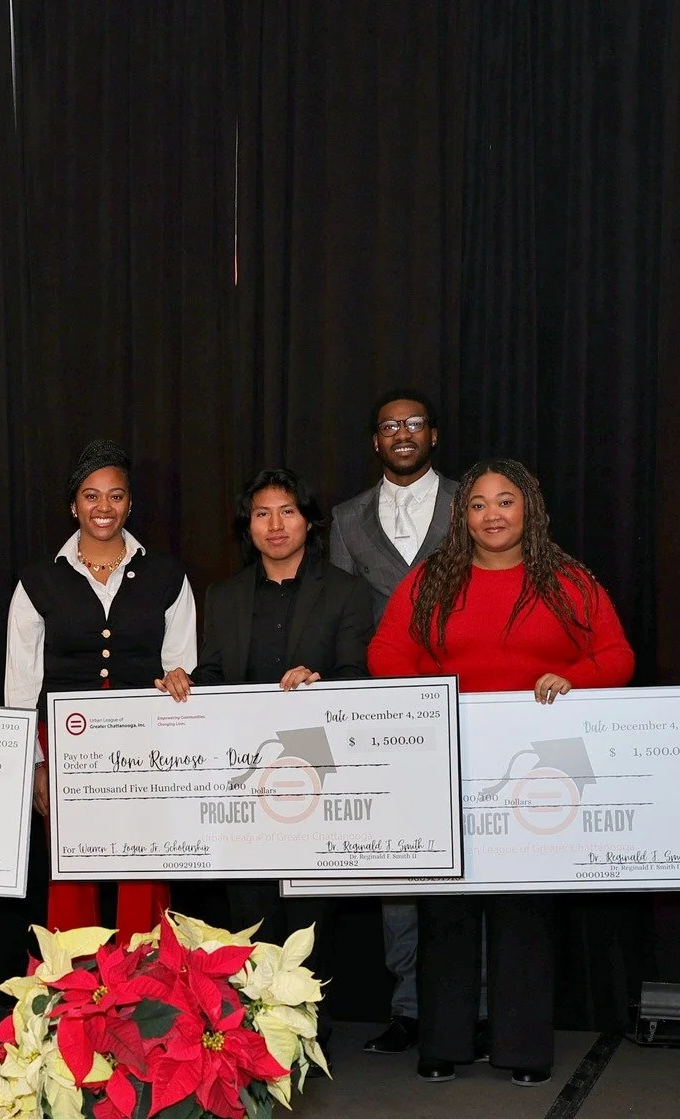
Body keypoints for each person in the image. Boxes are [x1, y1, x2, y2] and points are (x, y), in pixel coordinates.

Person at [368, 457, 633, 1084]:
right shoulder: (432, 580)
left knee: (524, 911)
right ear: (464, 516)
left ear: (529, 511)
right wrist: (428, 692)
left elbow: (617, 654)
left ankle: (521, 1049)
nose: (492, 514)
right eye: (479, 504)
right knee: (446, 908)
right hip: (450, 762)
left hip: (543, 774)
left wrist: (573, 680)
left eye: (505, 501)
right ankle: (444, 1044)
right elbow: (385, 651)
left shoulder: (568, 581)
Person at [161, 469, 371, 995]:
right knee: (248, 917)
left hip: (314, 777)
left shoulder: (347, 591)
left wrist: (319, 684)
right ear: (247, 526)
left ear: (308, 521)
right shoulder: (225, 595)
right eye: (262, 514)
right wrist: (183, 681)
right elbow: (213, 679)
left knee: (307, 920)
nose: (275, 525)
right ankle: (251, 1042)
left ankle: (305, 1036)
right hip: (243, 782)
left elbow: (357, 678)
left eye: (288, 512)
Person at [5, 440, 196, 938]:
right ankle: (73, 998)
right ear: (74, 505)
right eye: (91, 496)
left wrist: (181, 683)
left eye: (115, 496)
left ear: (130, 503)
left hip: (147, 747)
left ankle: (148, 997)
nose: (103, 508)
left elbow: (183, 667)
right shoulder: (37, 580)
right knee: (71, 878)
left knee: (144, 875)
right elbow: (21, 685)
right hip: (66, 745)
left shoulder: (168, 575)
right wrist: (36, 767)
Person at [330, 389, 459, 1056]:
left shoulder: (477, 501)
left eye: (413, 423)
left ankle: (476, 1003)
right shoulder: (348, 519)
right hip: (386, 710)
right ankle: (409, 1006)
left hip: (470, 703)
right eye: (389, 426)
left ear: (433, 435)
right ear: (375, 441)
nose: (402, 433)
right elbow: (344, 617)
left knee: (477, 859)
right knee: (399, 866)